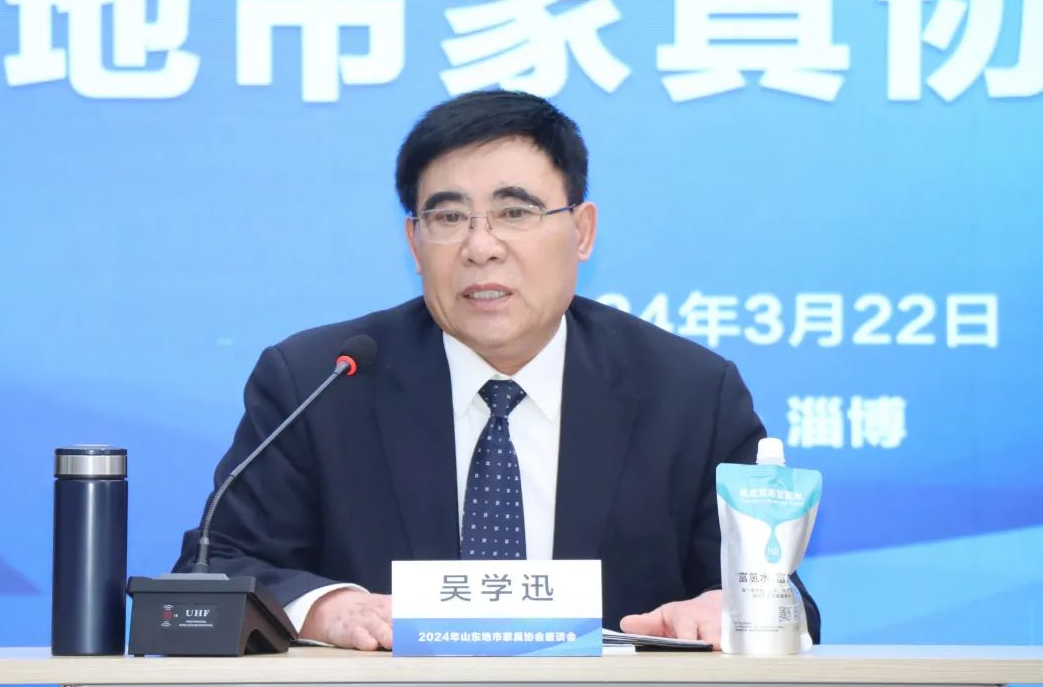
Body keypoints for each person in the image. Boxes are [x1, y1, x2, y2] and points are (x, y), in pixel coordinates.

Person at [175, 90, 820, 651]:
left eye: (515, 212)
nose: (480, 246)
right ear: (415, 243)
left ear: (582, 232)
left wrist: (733, 609)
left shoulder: (689, 394)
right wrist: (325, 608)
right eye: (449, 217)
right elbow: (215, 568)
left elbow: (785, 598)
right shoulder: (322, 383)